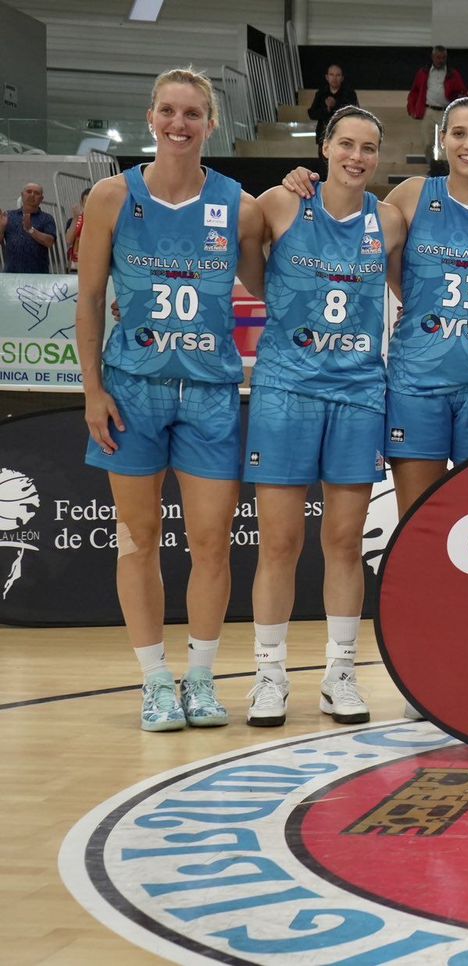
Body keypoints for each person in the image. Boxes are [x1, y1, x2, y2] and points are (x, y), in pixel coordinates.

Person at [74, 68, 266, 731]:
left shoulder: (239, 206)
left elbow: (274, 278)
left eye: (192, 114)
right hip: (133, 388)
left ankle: (202, 680)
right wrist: (92, 388)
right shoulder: (110, 197)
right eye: (168, 111)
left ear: (212, 124)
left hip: (210, 389)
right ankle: (156, 681)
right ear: (151, 116)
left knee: (211, 542)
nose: (179, 124)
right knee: (139, 540)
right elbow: (90, 299)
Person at [280, 96, 468, 517]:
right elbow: (368, 241)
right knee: (417, 522)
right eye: (459, 133)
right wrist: (303, 179)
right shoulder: (412, 195)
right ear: (443, 139)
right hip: (417, 382)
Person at [242, 106, 404, 728]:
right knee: (280, 543)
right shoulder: (280, 204)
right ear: (324, 147)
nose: (356, 157)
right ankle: (269, 675)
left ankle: (341, 673)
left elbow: (411, 288)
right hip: (286, 389)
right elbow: (248, 272)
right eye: (346, 144)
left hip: (358, 391)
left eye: (368, 148)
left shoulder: (388, 220)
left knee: (343, 542)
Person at [408, 46, 468, 152]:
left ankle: (444, 162)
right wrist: (412, 109)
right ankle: (430, 162)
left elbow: (463, 93)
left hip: (446, 112)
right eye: (438, 57)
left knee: (446, 143)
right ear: (433, 57)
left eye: (443, 58)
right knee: (427, 143)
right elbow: (414, 92)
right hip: (429, 111)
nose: (440, 60)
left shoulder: (452, 74)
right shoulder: (423, 73)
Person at [1, 182, 56, 274]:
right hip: (11, 273)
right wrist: (1, 228)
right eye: (29, 191)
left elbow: (50, 242)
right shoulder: (9, 216)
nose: (32, 195)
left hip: (38, 274)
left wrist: (31, 230)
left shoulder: (47, 218)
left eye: (36, 193)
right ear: (22, 195)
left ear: (41, 199)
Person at [307, 64, 359, 148]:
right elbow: (312, 114)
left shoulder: (350, 94)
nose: (334, 78)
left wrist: (335, 105)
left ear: (342, 78)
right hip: (324, 136)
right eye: (331, 75)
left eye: (338, 75)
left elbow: (354, 114)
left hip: (344, 136)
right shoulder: (321, 93)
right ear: (327, 77)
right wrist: (326, 109)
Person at [65, 187, 90, 272]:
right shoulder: (73, 220)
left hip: (95, 266)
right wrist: (75, 218)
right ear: (82, 203)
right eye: (87, 202)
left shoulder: (103, 221)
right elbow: (68, 241)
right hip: (76, 267)